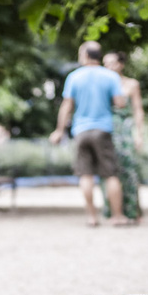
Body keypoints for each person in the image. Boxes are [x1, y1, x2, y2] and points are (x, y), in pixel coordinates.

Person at [49, 41, 129, 227]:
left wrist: (60, 130)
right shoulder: (110, 76)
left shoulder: (74, 77)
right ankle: (117, 217)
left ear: (85, 55)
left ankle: (92, 217)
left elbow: (67, 105)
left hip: (81, 130)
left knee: (85, 175)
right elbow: (120, 103)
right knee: (110, 174)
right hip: (103, 130)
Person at [101, 51, 145, 223]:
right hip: (106, 130)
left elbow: (138, 110)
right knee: (108, 171)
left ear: (121, 64)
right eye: (105, 64)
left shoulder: (131, 84)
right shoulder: (102, 85)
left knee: (129, 171)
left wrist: (139, 134)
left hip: (125, 131)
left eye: (112, 63)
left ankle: (133, 211)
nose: (108, 67)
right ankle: (111, 211)